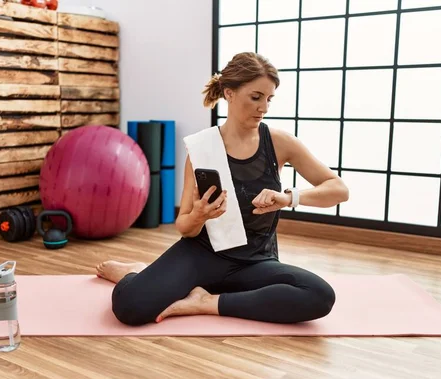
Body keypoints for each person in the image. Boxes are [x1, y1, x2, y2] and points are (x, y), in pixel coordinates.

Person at [96, 52, 349, 326]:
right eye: (256, 97)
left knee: (319, 295)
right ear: (229, 93)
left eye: (269, 99)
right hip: (201, 254)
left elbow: (338, 189)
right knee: (129, 307)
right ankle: (137, 272)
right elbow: (184, 227)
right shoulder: (202, 147)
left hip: (255, 262)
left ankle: (206, 302)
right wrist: (200, 215)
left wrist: (288, 198)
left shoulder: (279, 143)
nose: (263, 107)